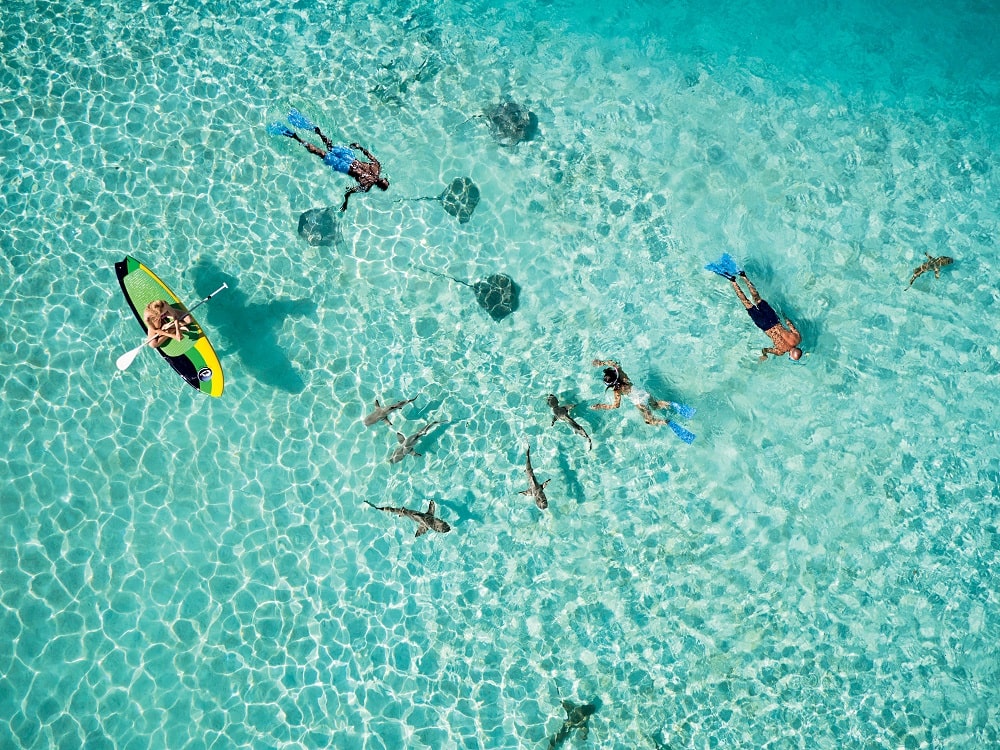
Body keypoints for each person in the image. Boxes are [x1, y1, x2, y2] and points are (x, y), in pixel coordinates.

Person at [270, 110, 389, 211]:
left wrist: (359, 147)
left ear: (384, 179)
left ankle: (317, 131)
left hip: (350, 158)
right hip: (345, 167)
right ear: (378, 187)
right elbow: (349, 192)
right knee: (320, 152)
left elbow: (367, 153)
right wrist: (345, 203)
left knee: (329, 146)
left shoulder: (377, 167)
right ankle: (295, 137)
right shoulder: (366, 185)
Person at [725, 271, 802, 361]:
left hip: (774, 319)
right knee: (747, 303)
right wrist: (764, 355)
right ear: (791, 355)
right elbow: (765, 350)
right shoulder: (781, 351)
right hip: (765, 326)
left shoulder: (798, 338)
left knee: (757, 298)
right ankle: (733, 281)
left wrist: (783, 315)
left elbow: (789, 323)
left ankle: (744, 276)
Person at [590, 360, 673, 425]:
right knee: (655, 405)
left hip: (640, 402)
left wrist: (601, 406)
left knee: (649, 421)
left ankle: (666, 422)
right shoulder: (622, 375)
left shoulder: (617, 390)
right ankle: (670, 404)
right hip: (644, 393)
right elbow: (614, 363)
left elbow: (616, 405)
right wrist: (601, 363)